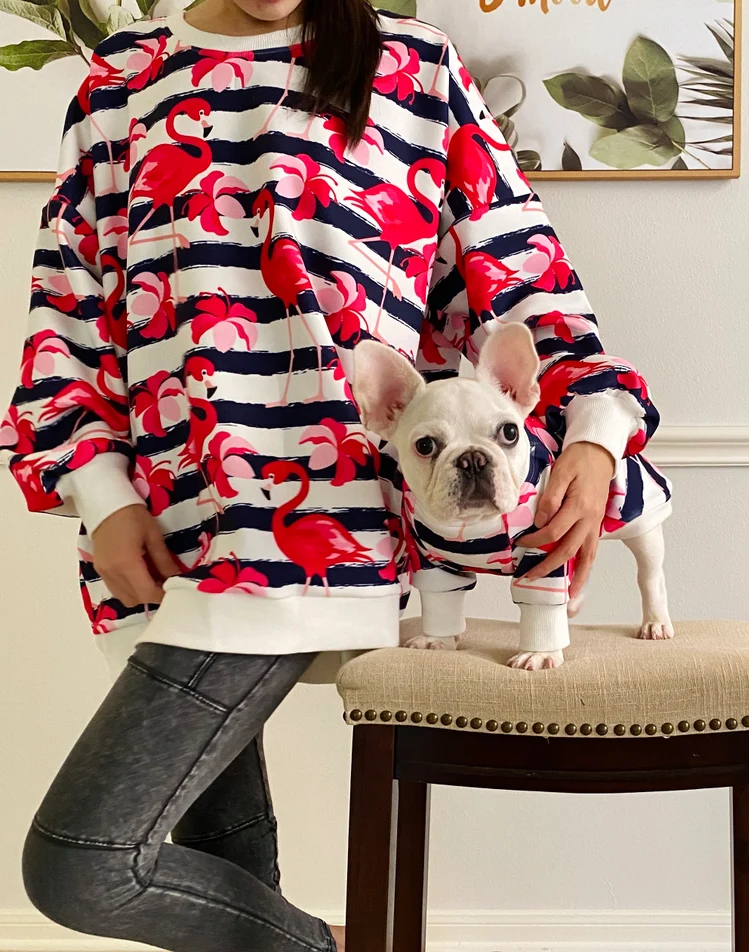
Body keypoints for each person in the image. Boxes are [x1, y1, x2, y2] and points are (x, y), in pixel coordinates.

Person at [1, 0, 663, 949]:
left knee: (86, 863)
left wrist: (595, 437)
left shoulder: (413, 68)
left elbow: (530, 284)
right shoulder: (123, 78)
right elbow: (68, 308)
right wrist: (99, 493)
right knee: (228, 862)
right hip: (158, 532)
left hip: (317, 537)